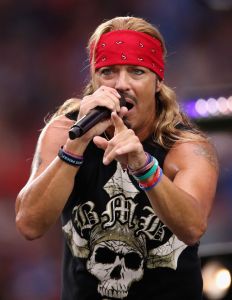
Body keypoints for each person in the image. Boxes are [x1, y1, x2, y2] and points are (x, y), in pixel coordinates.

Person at [15, 16, 219, 300]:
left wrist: (143, 166)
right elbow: (29, 224)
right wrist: (77, 145)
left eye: (136, 72)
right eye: (108, 71)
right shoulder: (65, 132)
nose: (121, 84)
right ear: (94, 79)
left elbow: (193, 228)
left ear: (157, 81)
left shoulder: (185, 146)